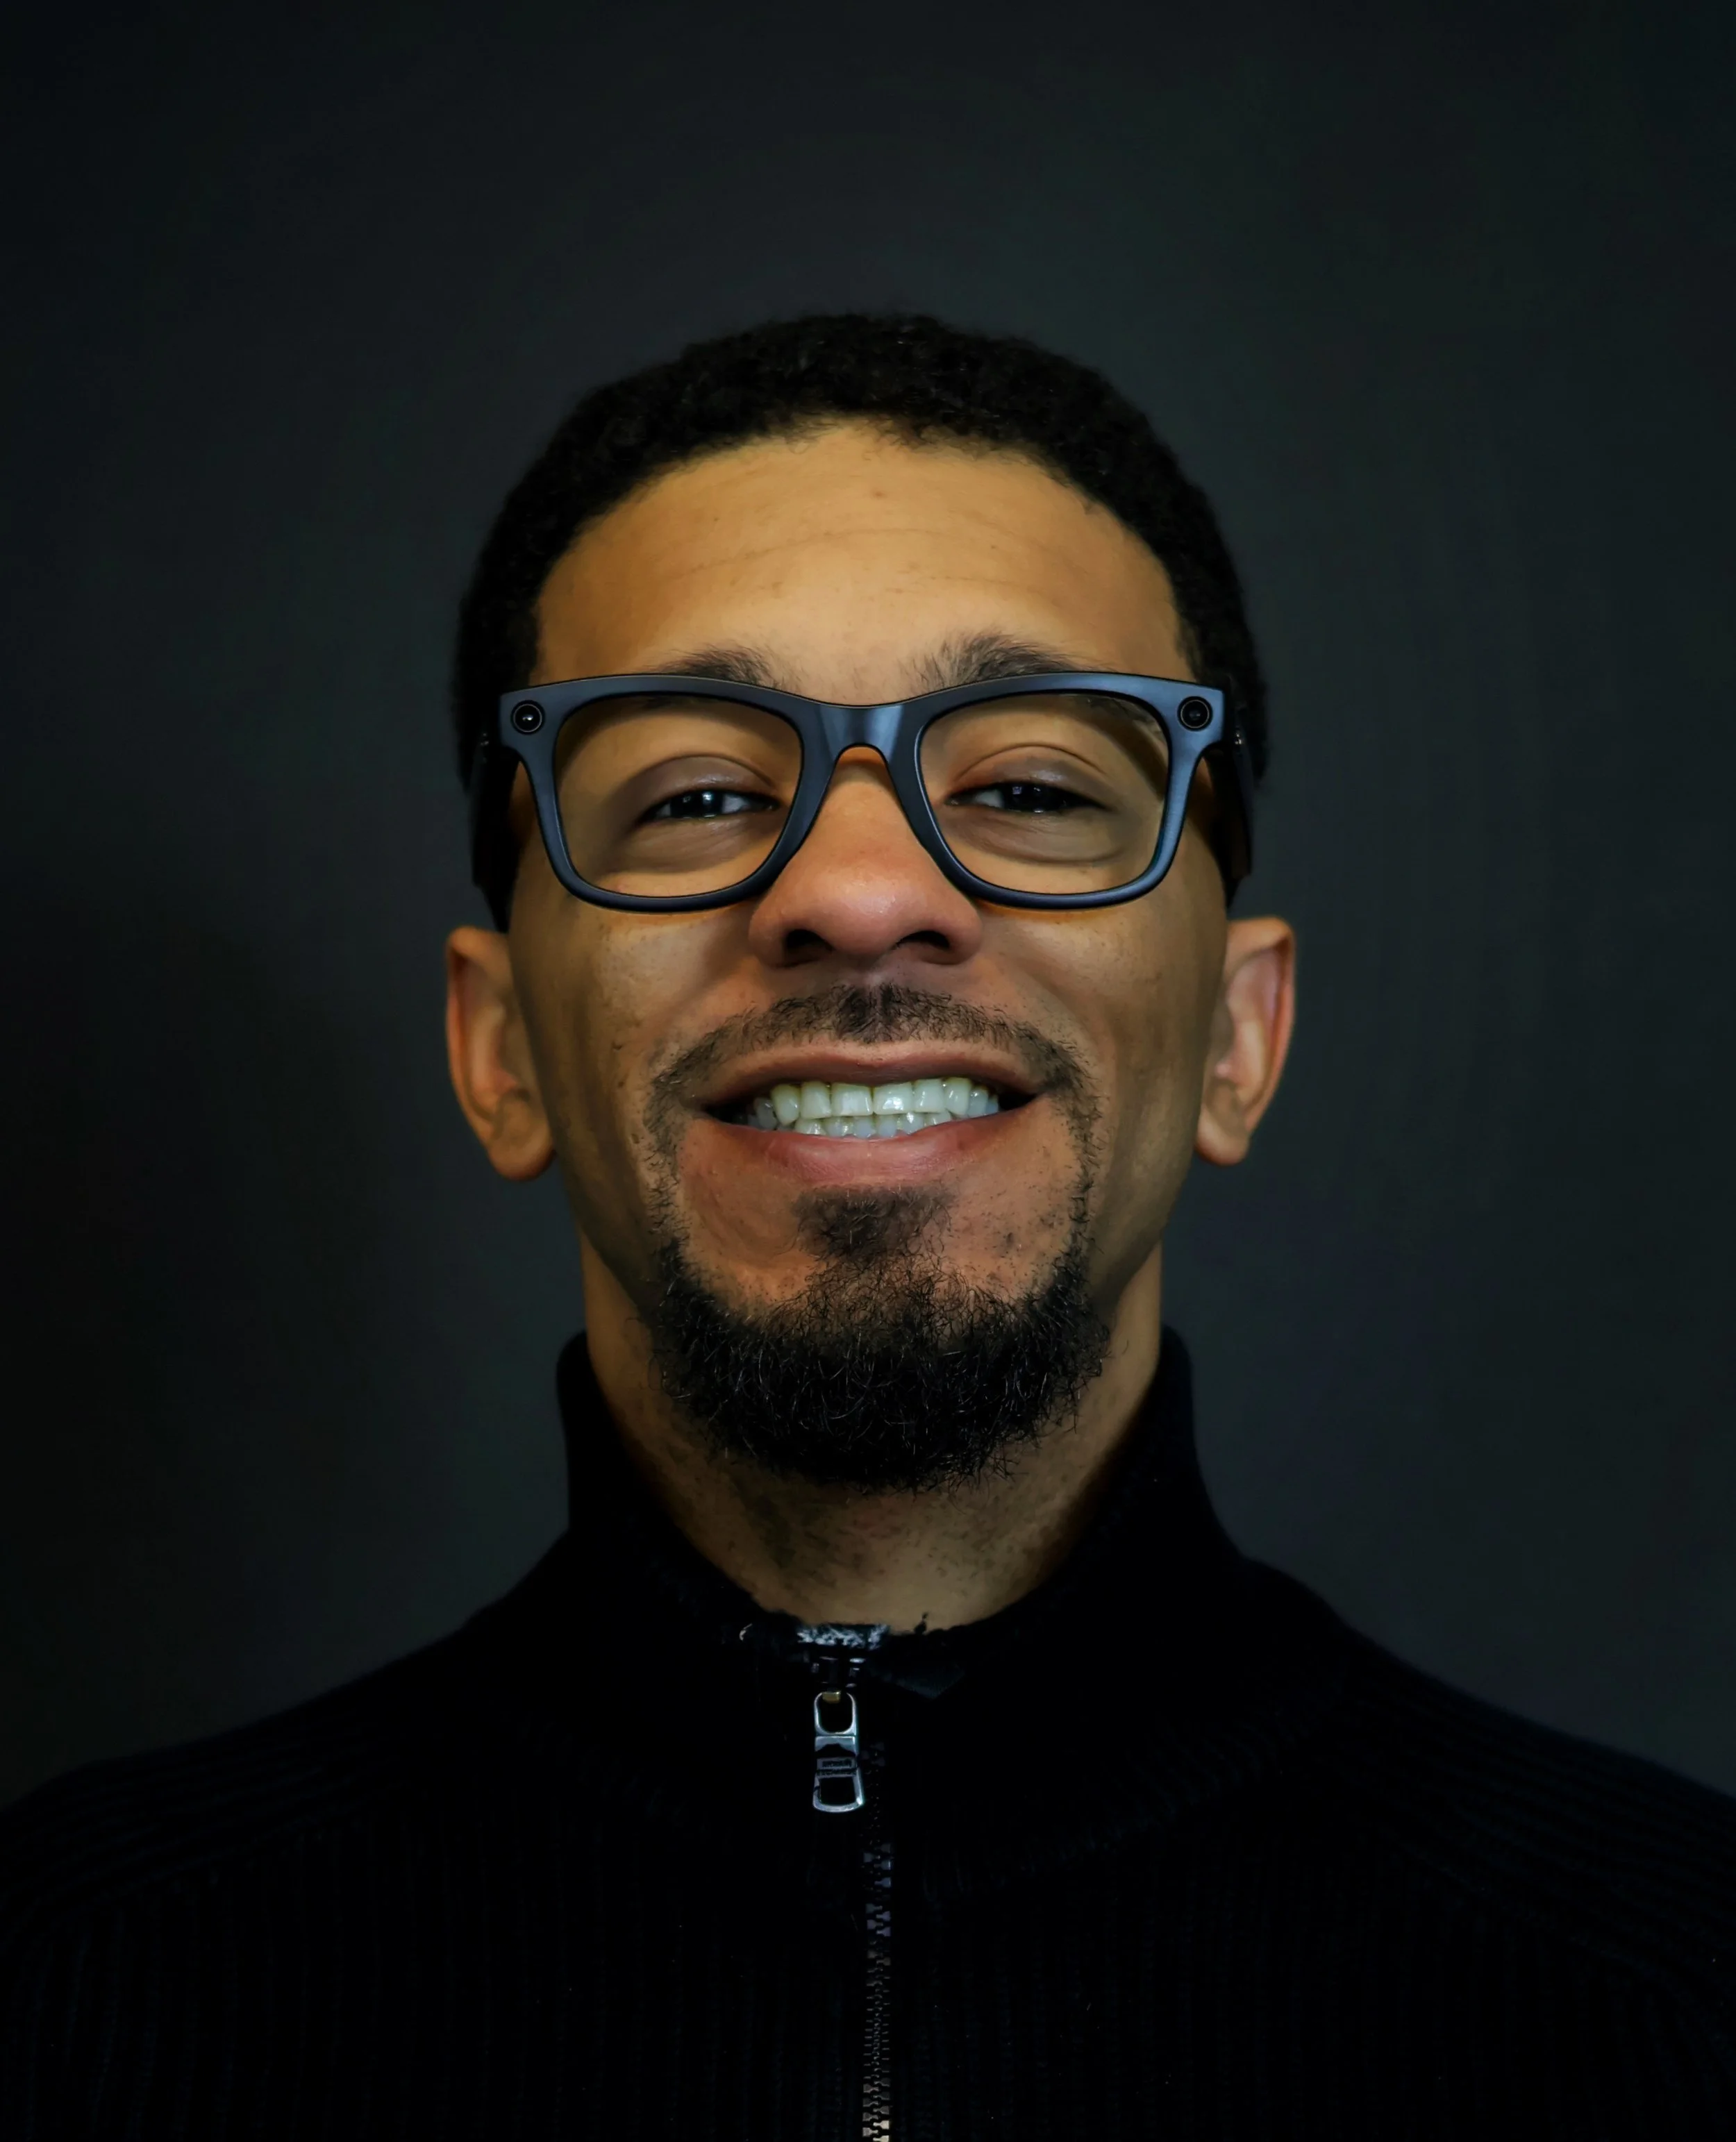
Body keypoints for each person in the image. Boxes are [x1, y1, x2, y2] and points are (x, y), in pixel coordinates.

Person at [3, 314, 1734, 2139]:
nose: (855, 888)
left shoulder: (1675, 2007)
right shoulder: (71, 1996)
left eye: (1026, 787)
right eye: (692, 795)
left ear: (1238, 1037)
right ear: (497, 1047)